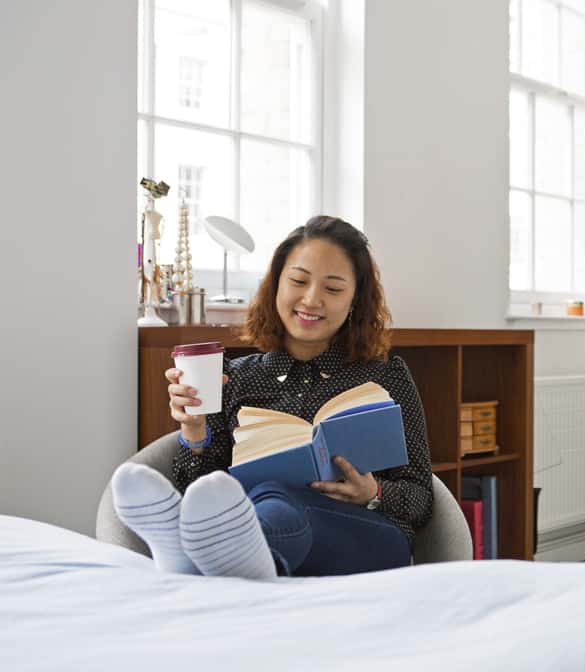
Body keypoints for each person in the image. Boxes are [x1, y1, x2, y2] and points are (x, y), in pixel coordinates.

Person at [111, 215, 433, 579]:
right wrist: (195, 431)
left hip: (368, 536)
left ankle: (184, 551)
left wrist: (372, 492)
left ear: (355, 300)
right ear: (276, 284)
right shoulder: (235, 378)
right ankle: (233, 558)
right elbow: (205, 494)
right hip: (268, 523)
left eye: (333, 288)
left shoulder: (386, 376)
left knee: (276, 500)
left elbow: (421, 500)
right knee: (265, 503)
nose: (311, 299)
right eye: (298, 281)